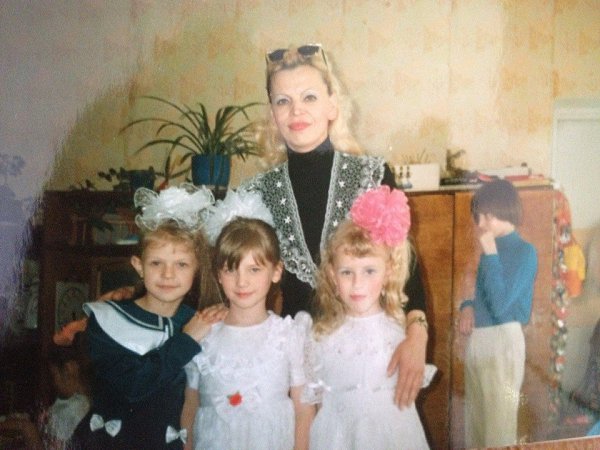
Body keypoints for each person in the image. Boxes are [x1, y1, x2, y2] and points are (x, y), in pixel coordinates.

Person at [238, 43, 428, 406]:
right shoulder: (257, 193)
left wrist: (417, 336)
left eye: (309, 97)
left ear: (331, 105)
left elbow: (407, 267)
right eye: (283, 101)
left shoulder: (372, 175)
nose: (296, 111)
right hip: (297, 363)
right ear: (273, 115)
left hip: (369, 356)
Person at [70, 184, 227, 450]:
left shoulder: (197, 320)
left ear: (197, 269)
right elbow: (132, 386)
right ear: (138, 266)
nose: (168, 274)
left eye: (181, 264)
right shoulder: (107, 320)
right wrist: (187, 340)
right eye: (156, 263)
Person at [298, 186, 435, 449]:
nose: (357, 283)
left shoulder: (400, 333)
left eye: (369, 271)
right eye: (347, 272)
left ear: (389, 272)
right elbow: (316, 404)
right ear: (332, 276)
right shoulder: (321, 337)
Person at [181, 191, 313, 450]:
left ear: (276, 272)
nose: (242, 282)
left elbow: (304, 409)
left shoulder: (289, 335)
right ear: (219, 275)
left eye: (254, 269)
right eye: (231, 270)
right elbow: (191, 405)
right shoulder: (204, 335)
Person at [458, 179, 538, 448]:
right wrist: (467, 305)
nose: (480, 223)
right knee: (476, 428)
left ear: (503, 211)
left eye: (486, 216)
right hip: (480, 340)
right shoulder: (489, 250)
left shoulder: (525, 252)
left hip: (503, 340)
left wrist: (491, 253)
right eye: (478, 216)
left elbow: (501, 305)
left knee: (498, 430)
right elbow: (483, 294)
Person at [0, 333, 90, 450]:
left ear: (68, 369)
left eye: (53, 375)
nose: (53, 382)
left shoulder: (77, 409)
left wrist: (27, 428)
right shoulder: (72, 402)